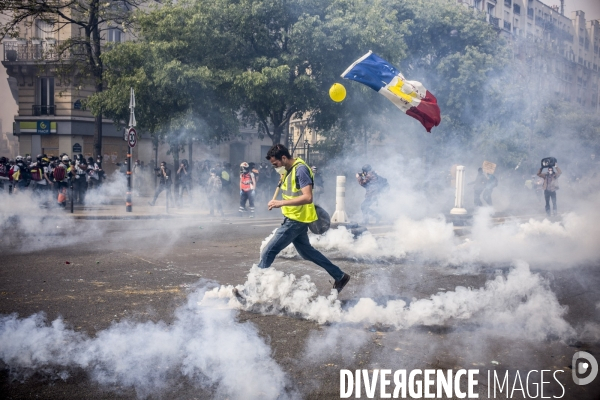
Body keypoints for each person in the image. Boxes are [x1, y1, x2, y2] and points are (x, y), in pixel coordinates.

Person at [259, 144, 350, 293]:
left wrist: (280, 202)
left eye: (275, 164)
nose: (275, 167)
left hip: (295, 220)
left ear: (283, 158)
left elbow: (307, 197)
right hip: (294, 217)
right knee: (307, 252)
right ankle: (340, 276)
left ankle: (252, 289)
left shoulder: (300, 170)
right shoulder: (288, 169)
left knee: (268, 251)